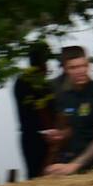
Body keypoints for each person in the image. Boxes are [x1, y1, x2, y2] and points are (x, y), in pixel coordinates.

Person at [45, 46, 93, 175]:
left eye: (83, 66)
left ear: (88, 66)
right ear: (66, 70)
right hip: (71, 164)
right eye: (73, 68)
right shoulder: (67, 96)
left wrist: (75, 164)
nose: (80, 71)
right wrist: (61, 134)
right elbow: (73, 128)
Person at [13, 44, 55, 178]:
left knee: (34, 174)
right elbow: (41, 109)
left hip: (28, 136)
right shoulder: (35, 81)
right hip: (40, 136)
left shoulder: (21, 81)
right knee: (41, 173)